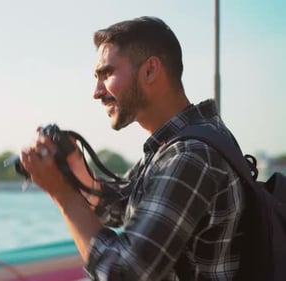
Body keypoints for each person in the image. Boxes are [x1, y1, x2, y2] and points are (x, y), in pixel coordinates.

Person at [19, 16, 247, 281]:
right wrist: (76, 170)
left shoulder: (190, 155)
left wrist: (63, 195)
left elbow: (123, 274)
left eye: (107, 74)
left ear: (150, 70)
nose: (96, 91)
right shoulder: (173, 145)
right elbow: (119, 207)